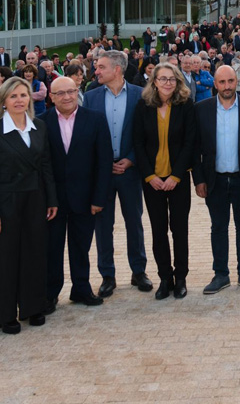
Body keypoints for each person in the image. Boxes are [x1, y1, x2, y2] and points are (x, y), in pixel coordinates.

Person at [0, 77, 58, 334]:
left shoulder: (39, 127)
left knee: (34, 254)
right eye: (13, 96)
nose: (19, 100)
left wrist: (52, 200)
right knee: (5, 258)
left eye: (23, 95)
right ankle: (5, 313)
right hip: (5, 204)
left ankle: (32, 307)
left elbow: (46, 166)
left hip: (35, 200)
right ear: (3, 102)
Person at [83, 50, 152, 297]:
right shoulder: (90, 98)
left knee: (134, 222)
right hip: (101, 173)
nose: (96, 71)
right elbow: (86, 136)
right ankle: (107, 275)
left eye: (101, 67)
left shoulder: (139, 95)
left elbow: (146, 134)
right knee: (103, 225)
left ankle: (139, 271)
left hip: (130, 172)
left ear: (117, 69)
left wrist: (131, 160)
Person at [40, 76, 112, 311]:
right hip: (54, 200)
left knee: (81, 246)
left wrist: (99, 198)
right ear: (51, 97)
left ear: (77, 92)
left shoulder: (95, 120)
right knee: (52, 248)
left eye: (71, 91)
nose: (67, 97)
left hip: (86, 197)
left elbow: (104, 161)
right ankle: (50, 292)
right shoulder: (41, 123)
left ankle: (81, 288)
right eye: (60, 93)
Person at [194, 65, 240, 295]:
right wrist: (199, 179)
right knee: (218, 228)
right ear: (215, 84)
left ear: (238, 82)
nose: (227, 86)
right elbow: (195, 150)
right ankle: (220, 274)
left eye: (231, 81)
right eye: (222, 82)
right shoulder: (201, 109)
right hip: (215, 181)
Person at [133, 62, 198, 300]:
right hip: (152, 181)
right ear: (154, 82)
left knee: (179, 229)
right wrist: (150, 176)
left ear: (178, 81)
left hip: (178, 179)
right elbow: (138, 143)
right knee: (158, 231)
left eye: (172, 79)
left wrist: (176, 175)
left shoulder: (186, 105)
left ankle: (181, 278)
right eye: (162, 79)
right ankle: (164, 278)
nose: (167, 83)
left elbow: (190, 142)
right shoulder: (143, 106)